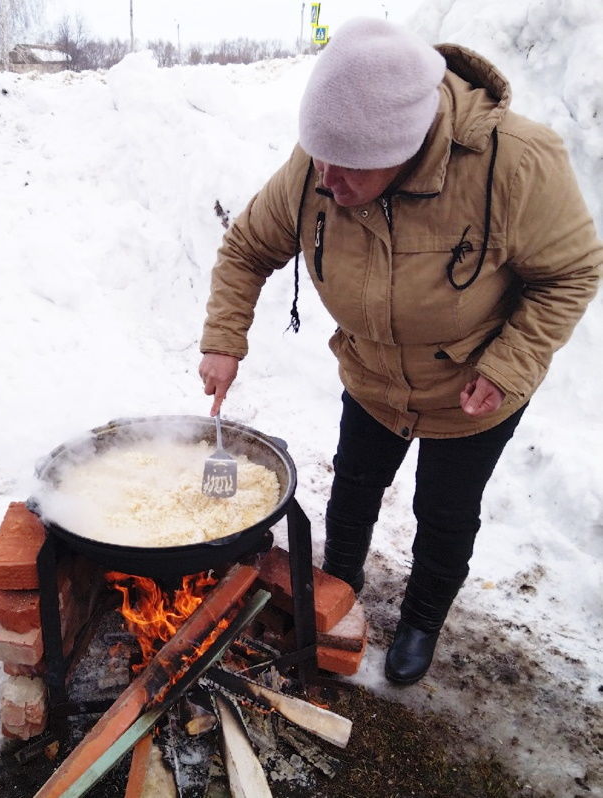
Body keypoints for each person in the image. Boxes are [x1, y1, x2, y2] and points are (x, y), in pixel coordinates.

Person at [198, 17, 602, 685]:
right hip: (373, 376)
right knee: (353, 489)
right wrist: (223, 338)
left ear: (407, 144)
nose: (327, 181)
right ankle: (337, 593)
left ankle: (421, 620)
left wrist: (508, 367)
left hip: (473, 389)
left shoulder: (516, 163)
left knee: (445, 512)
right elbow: (248, 248)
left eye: (349, 167)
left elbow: (572, 273)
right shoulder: (319, 169)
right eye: (320, 158)